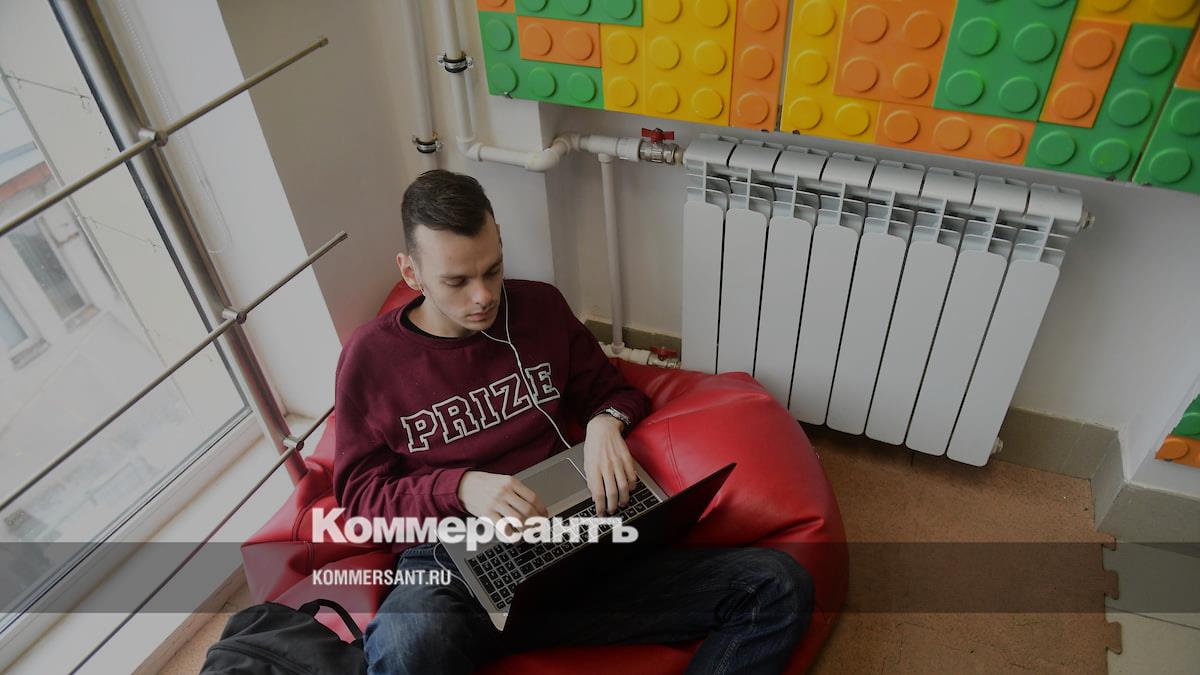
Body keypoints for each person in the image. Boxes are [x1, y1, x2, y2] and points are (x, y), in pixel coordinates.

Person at [333, 169, 815, 674]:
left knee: (777, 585)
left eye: (493, 270)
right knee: (408, 640)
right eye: (456, 281)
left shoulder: (540, 307)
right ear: (411, 272)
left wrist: (606, 423)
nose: (483, 296)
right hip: (456, 563)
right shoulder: (371, 359)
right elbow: (361, 498)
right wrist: (462, 488)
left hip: (576, 543)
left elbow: (616, 392)